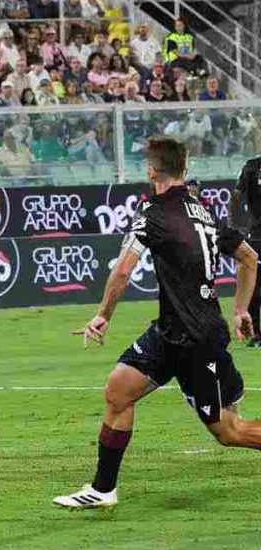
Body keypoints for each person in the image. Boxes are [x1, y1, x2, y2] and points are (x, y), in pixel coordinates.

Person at [55, 137, 261, 510]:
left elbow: (122, 271)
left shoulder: (151, 212)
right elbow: (248, 258)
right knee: (119, 391)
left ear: (152, 171)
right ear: (185, 168)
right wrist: (241, 309)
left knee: (230, 431)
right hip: (171, 332)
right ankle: (103, 489)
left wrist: (103, 315)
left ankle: (103, 488)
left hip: (196, 340)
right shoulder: (203, 211)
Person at [234, 155, 261, 347]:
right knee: (255, 286)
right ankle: (257, 333)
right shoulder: (252, 167)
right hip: (257, 234)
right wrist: (239, 222)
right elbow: (237, 194)